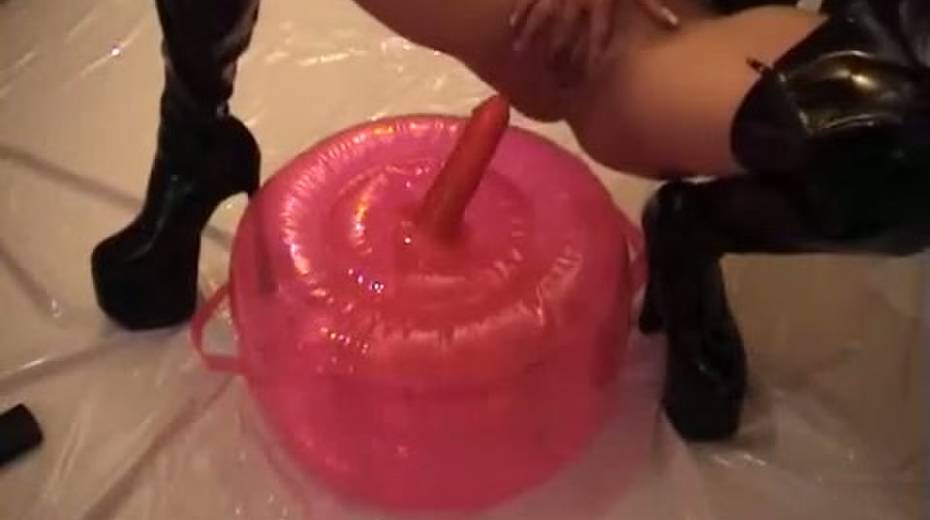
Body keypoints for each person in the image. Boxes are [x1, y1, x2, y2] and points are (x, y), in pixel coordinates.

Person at [91, 0, 930, 442]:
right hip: (623, 44)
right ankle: (194, 145)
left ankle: (694, 232)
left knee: (899, 146)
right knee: (893, 140)